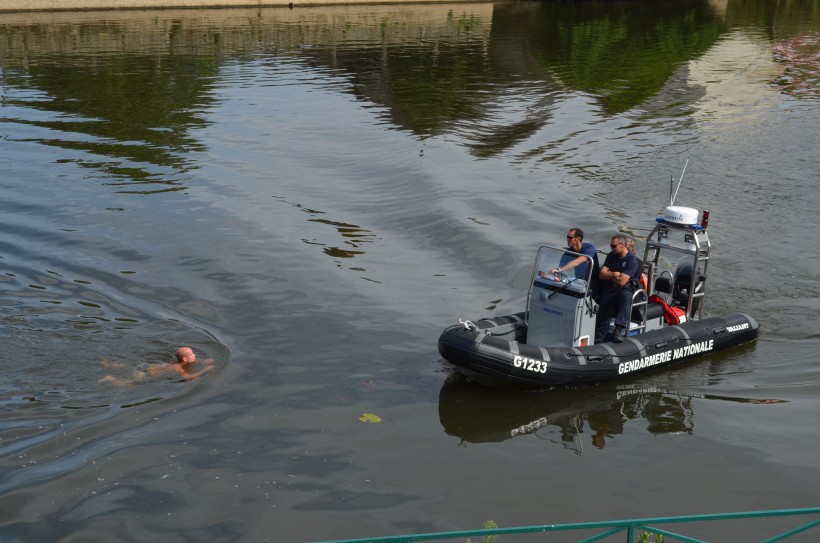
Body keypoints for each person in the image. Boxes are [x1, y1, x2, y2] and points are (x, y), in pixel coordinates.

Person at [594, 234, 640, 344]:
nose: (611, 248)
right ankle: (598, 341)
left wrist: (610, 276)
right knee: (603, 314)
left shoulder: (632, 260)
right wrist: (615, 273)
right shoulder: (611, 256)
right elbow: (601, 274)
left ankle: (618, 329)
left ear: (622, 245)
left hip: (624, 289)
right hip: (610, 288)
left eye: (613, 246)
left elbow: (622, 281)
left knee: (626, 297)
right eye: (611, 246)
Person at [98, 346, 214, 386]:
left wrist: (202, 362)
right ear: (184, 359)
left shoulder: (178, 362)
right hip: (144, 374)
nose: (195, 355)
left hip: (149, 366)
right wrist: (205, 370)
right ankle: (110, 378)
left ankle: (108, 364)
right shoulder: (177, 367)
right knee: (128, 385)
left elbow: (190, 361)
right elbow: (188, 378)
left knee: (131, 366)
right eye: (192, 354)